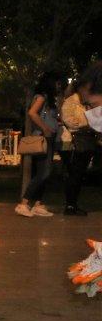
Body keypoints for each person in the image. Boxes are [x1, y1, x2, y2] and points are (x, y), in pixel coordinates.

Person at [15, 73, 61, 217]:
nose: (59, 86)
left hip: (49, 137)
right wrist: (45, 128)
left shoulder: (49, 100)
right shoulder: (42, 97)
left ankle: (38, 204)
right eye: (58, 83)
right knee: (44, 172)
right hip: (43, 138)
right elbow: (32, 113)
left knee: (44, 172)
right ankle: (24, 203)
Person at [61, 63, 102, 216]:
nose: (92, 112)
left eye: (92, 105)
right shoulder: (72, 101)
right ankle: (71, 204)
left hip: (86, 140)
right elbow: (70, 120)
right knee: (76, 174)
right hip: (79, 141)